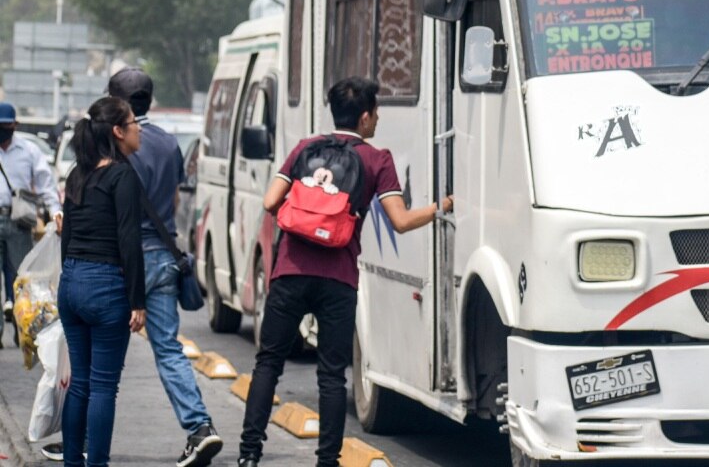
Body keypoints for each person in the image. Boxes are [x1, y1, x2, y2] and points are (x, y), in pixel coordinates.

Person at [238, 77, 452, 467]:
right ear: (365, 117)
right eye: (376, 113)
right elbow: (401, 221)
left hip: (290, 271)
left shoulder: (305, 148)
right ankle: (327, 461)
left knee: (268, 363)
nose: (378, 119)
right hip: (338, 279)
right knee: (332, 376)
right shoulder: (377, 159)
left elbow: (271, 202)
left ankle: (249, 454)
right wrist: (442, 206)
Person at [106, 67, 223, 466]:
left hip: (121, 259)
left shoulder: (112, 140)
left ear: (115, 103)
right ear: (150, 100)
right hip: (162, 254)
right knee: (169, 349)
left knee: (102, 354)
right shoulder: (170, 143)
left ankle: (83, 438)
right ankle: (200, 427)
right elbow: (172, 201)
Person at [58, 97, 147, 467]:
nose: (139, 128)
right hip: (106, 286)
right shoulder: (122, 176)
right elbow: (129, 240)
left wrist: (70, 277)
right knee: (103, 386)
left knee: (80, 382)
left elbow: (67, 235)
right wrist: (137, 301)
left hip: (71, 282)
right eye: (134, 122)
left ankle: (72, 462)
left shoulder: (77, 174)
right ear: (117, 131)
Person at [0, 101, 62, 349]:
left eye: (6, 126)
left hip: (19, 222)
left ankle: (22, 329)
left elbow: (46, 185)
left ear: (15, 125)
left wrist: (56, 213)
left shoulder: (28, 152)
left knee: (22, 280)